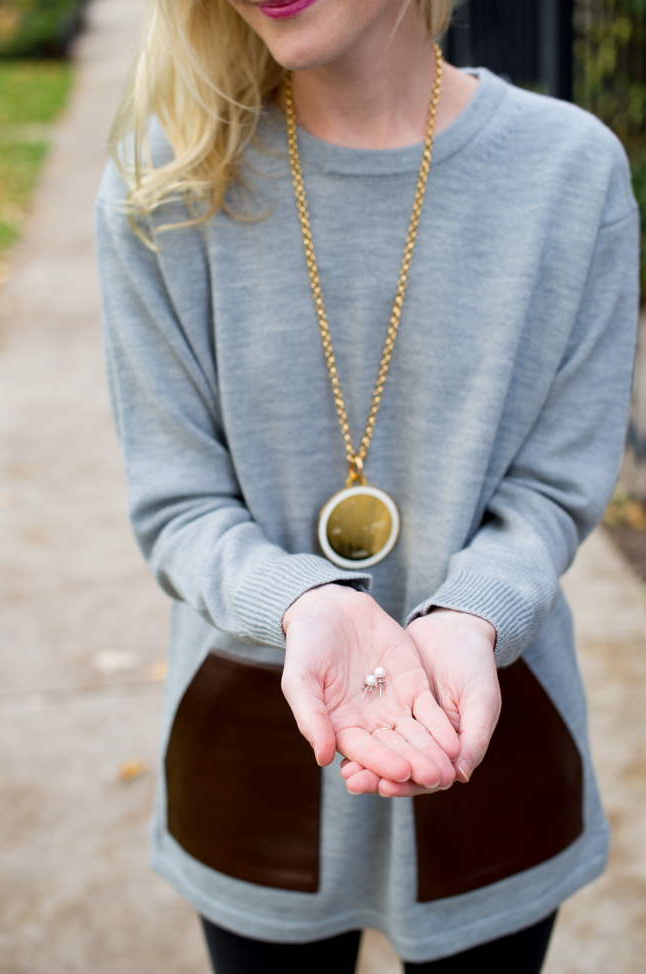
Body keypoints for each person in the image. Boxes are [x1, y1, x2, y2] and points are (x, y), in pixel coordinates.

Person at [95, 0, 640, 971]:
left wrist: (470, 612)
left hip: (490, 724)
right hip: (252, 736)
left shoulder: (568, 172)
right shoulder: (165, 181)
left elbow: (555, 486)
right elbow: (176, 501)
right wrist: (302, 602)